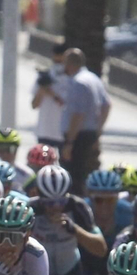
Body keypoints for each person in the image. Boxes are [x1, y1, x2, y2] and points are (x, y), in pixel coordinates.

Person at [59, 48, 110, 187]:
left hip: (77, 137)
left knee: (73, 176)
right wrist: (97, 131)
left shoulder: (79, 83)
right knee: (86, 173)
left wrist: (69, 143)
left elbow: (78, 114)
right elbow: (106, 106)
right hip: (90, 134)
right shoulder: (94, 79)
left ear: (70, 64)